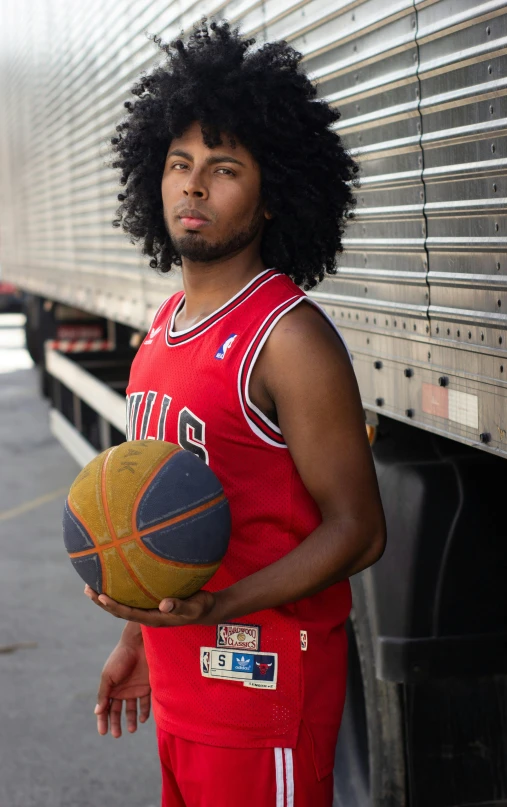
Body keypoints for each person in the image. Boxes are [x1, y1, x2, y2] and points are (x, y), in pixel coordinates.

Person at [84, 19, 386, 807]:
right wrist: (137, 637)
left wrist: (219, 607)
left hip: (262, 692)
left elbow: (358, 528)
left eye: (223, 169)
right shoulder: (162, 329)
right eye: (180, 163)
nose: (192, 186)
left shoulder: (287, 338)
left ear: (272, 193)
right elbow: (152, 513)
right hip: (184, 691)